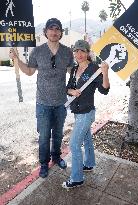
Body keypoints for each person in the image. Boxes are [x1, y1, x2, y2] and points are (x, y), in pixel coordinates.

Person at [9, 18, 73, 178]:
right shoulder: (37, 52)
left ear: (61, 32)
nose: (54, 32)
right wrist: (17, 59)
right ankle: (44, 164)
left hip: (61, 103)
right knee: (44, 136)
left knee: (58, 134)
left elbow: (73, 72)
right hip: (43, 103)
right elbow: (30, 71)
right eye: (51, 29)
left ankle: (56, 157)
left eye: (57, 29)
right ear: (45, 32)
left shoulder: (67, 52)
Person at [62, 40, 110, 189]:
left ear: (88, 52)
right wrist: (72, 91)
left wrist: (105, 72)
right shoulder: (75, 69)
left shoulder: (94, 69)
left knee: (74, 144)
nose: (79, 54)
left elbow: (104, 90)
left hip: (86, 113)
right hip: (77, 112)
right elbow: (68, 88)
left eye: (82, 51)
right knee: (87, 138)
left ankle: (77, 178)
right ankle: (89, 164)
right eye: (76, 51)